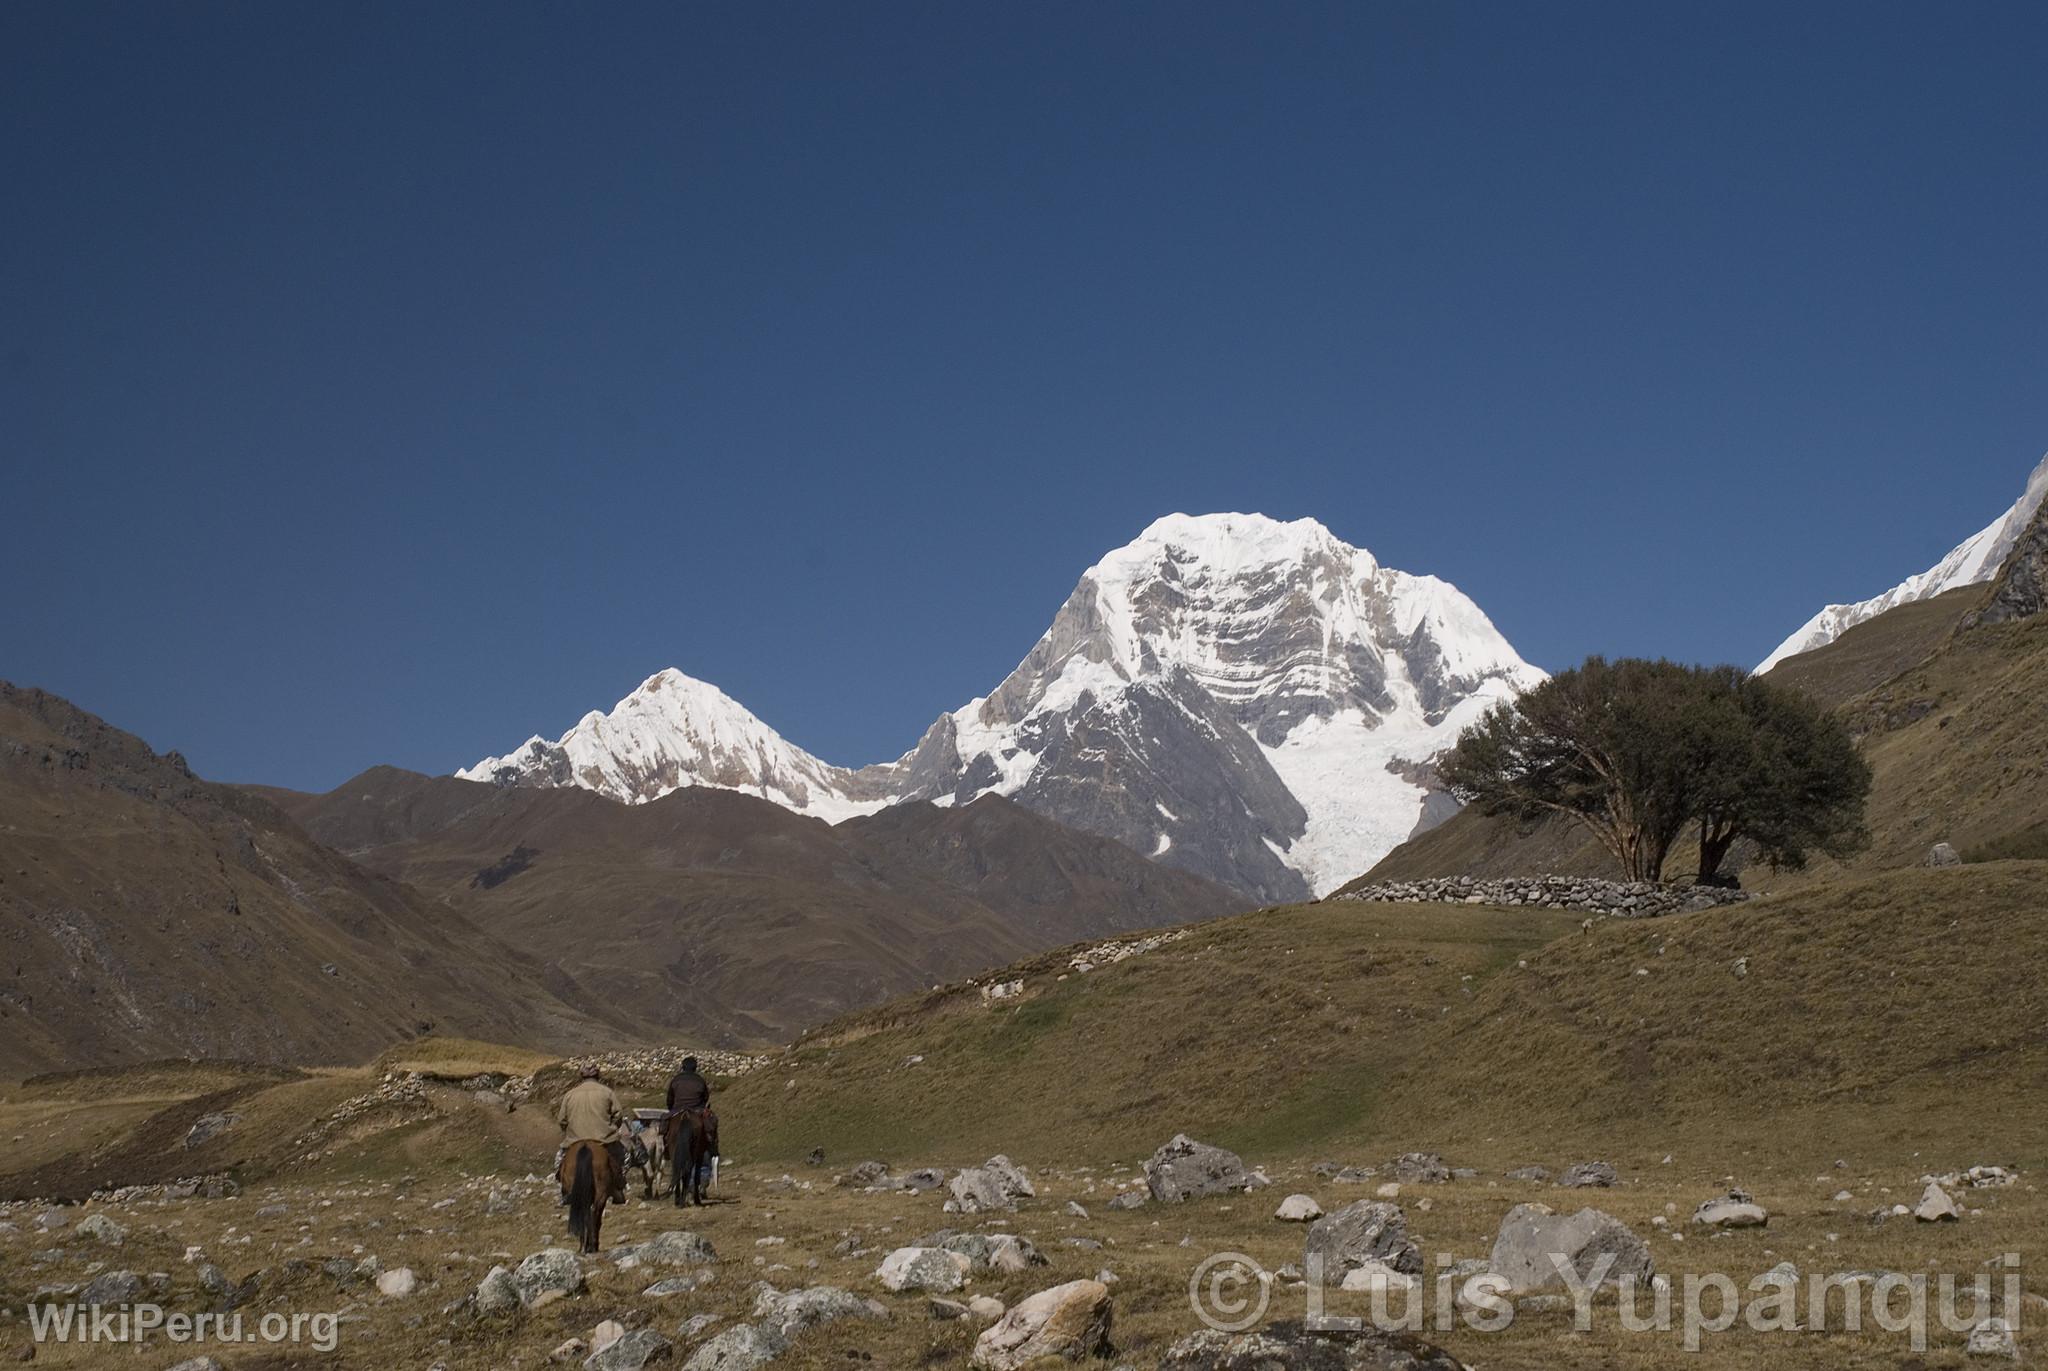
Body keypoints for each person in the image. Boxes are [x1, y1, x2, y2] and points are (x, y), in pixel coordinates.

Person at [556, 1063, 628, 1203]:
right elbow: (618, 1115)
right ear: (598, 1076)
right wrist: (612, 1127)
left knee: (559, 1163)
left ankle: (565, 1191)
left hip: (574, 1141)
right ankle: (618, 1188)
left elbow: (562, 1120)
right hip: (604, 1140)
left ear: (581, 1076)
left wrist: (569, 1131)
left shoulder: (570, 1094)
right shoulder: (607, 1092)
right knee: (624, 1158)